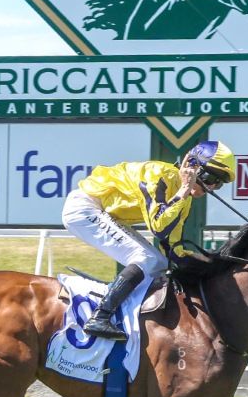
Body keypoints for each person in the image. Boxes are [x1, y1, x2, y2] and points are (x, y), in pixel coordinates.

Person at [61, 139, 236, 341]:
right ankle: (101, 316)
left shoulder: (184, 199)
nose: (212, 187)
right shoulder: (158, 175)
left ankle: (132, 316)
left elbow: (172, 248)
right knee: (145, 258)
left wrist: (211, 264)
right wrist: (183, 190)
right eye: (210, 177)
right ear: (191, 165)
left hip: (100, 211)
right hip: (84, 209)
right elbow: (159, 227)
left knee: (159, 263)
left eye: (219, 183)